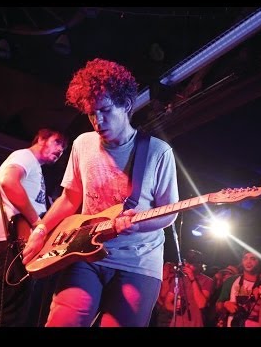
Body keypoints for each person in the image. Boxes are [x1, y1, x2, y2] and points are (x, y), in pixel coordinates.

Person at [22, 58, 179, 327]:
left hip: (138, 262)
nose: (97, 120)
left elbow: (169, 214)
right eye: (91, 113)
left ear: (127, 105)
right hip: (83, 254)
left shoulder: (158, 152)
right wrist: (40, 231)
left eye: (105, 110)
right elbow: (70, 198)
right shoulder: (83, 144)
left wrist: (136, 226)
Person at [0, 128, 68, 327]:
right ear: (41, 138)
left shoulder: (34, 168)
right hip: (14, 244)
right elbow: (8, 181)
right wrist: (38, 223)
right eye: (58, 142)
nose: (61, 150)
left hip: (9, 244)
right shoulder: (25, 156)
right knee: (9, 314)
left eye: (64, 148)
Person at [216, 250, 261, 327]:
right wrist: (225, 304)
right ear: (242, 261)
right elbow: (218, 306)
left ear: (259, 262)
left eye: (253, 259)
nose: (248, 261)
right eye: (245, 258)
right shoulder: (231, 281)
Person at [164, 249, 214, 327]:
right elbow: (167, 302)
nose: (187, 265)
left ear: (199, 264)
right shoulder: (178, 279)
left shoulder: (207, 281)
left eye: (191, 263)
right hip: (177, 323)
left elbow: (201, 304)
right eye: (186, 262)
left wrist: (192, 279)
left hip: (196, 323)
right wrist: (174, 308)